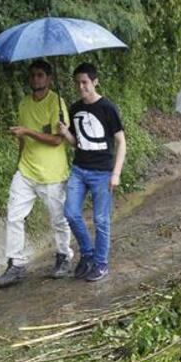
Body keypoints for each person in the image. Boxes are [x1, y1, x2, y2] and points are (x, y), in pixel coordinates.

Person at [0, 60, 74, 288]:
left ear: (49, 79)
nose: (36, 79)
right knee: (14, 215)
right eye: (33, 75)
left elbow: (57, 140)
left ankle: (63, 256)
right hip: (26, 170)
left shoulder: (57, 103)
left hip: (52, 173)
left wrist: (28, 131)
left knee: (58, 219)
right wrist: (19, 160)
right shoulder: (24, 104)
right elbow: (23, 138)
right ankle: (16, 264)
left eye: (40, 75)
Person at [58, 63, 126, 282]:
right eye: (78, 82)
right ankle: (87, 254)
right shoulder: (75, 108)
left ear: (95, 82)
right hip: (79, 169)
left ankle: (100, 264)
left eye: (85, 82)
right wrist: (65, 133)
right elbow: (78, 143)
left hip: (102, 173)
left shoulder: (108, 108)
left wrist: (116, 173)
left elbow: (121, 141)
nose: (81, 87)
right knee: (70, 213)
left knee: (101, 220)